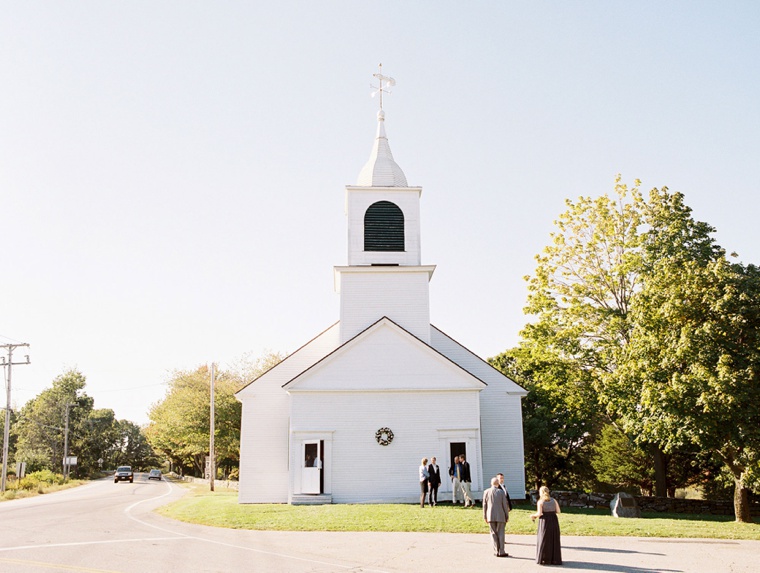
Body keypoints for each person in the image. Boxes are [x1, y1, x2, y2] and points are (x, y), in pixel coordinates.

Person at [531, 486, 562, 566]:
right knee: (553, 538)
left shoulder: (540, 502)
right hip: (553, 520)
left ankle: (544, 558)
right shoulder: (554, 500)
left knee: (544, 539)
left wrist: (533, 516)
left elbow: (539, 513)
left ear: (540, 492)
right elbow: (558, 511)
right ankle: (554, 559)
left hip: (544, 521)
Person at [482, 476, 510, 557]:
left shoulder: (486, 492)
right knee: (501, 533)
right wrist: (506, 515)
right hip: (500, 515)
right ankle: (501, 551)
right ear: (497, 484)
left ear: (491, 483)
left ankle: (495, 551)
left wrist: (485, 516)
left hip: (490, 515)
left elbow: (484, 505)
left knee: (493, 533)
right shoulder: (501, 492)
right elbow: (504, 504)